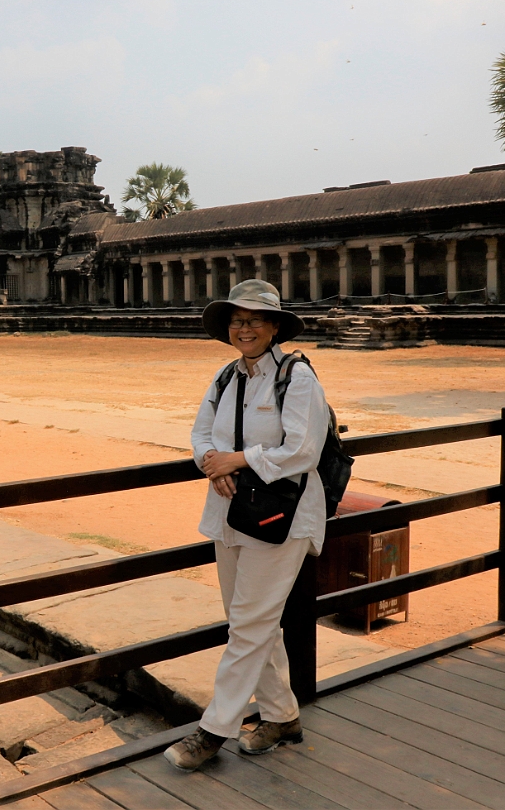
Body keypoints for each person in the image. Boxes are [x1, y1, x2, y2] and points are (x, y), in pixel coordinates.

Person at [164, 279, 330, 771]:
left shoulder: (296, 378)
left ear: (275, 327)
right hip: (232, 513)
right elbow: (199, 432)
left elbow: (303, 449)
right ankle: (282, 717)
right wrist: (210, 460)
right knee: (251, 623)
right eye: (237, 320)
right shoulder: (225, 378)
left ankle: (214, 730)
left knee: (250, 626)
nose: (245, 328)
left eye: (256, 320)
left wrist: (239, 459)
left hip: (284, 516)